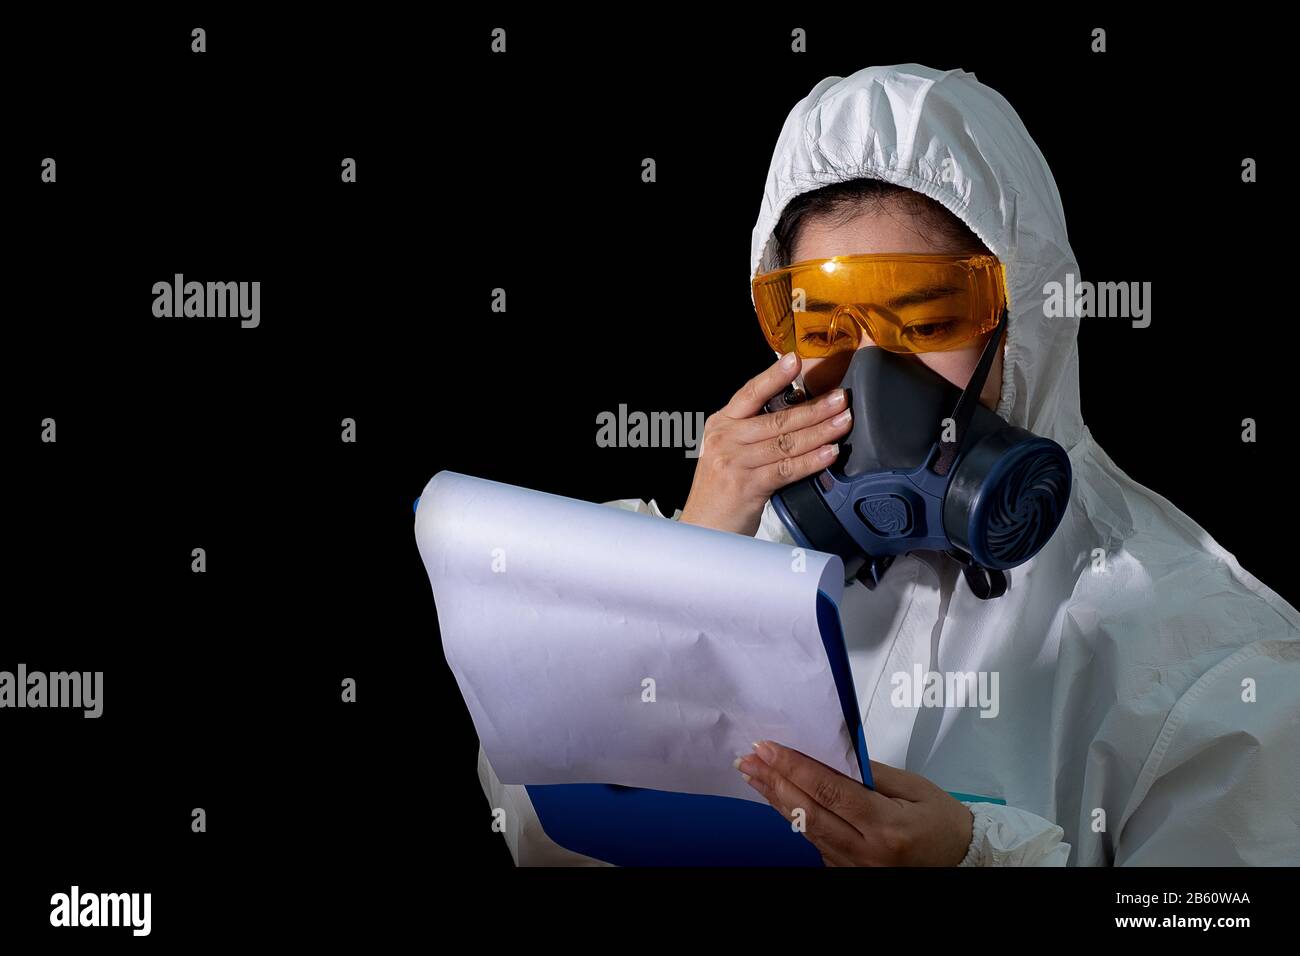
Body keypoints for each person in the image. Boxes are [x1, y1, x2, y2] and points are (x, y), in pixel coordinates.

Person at [478, 63, 1300, 866]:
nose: (870, 378)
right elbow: (541, 830)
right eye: (826, 328)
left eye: (927, 318)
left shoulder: (1207, 653)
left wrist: (984, 862)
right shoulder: (727, 553)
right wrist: (684, 575)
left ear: (1027, 320)